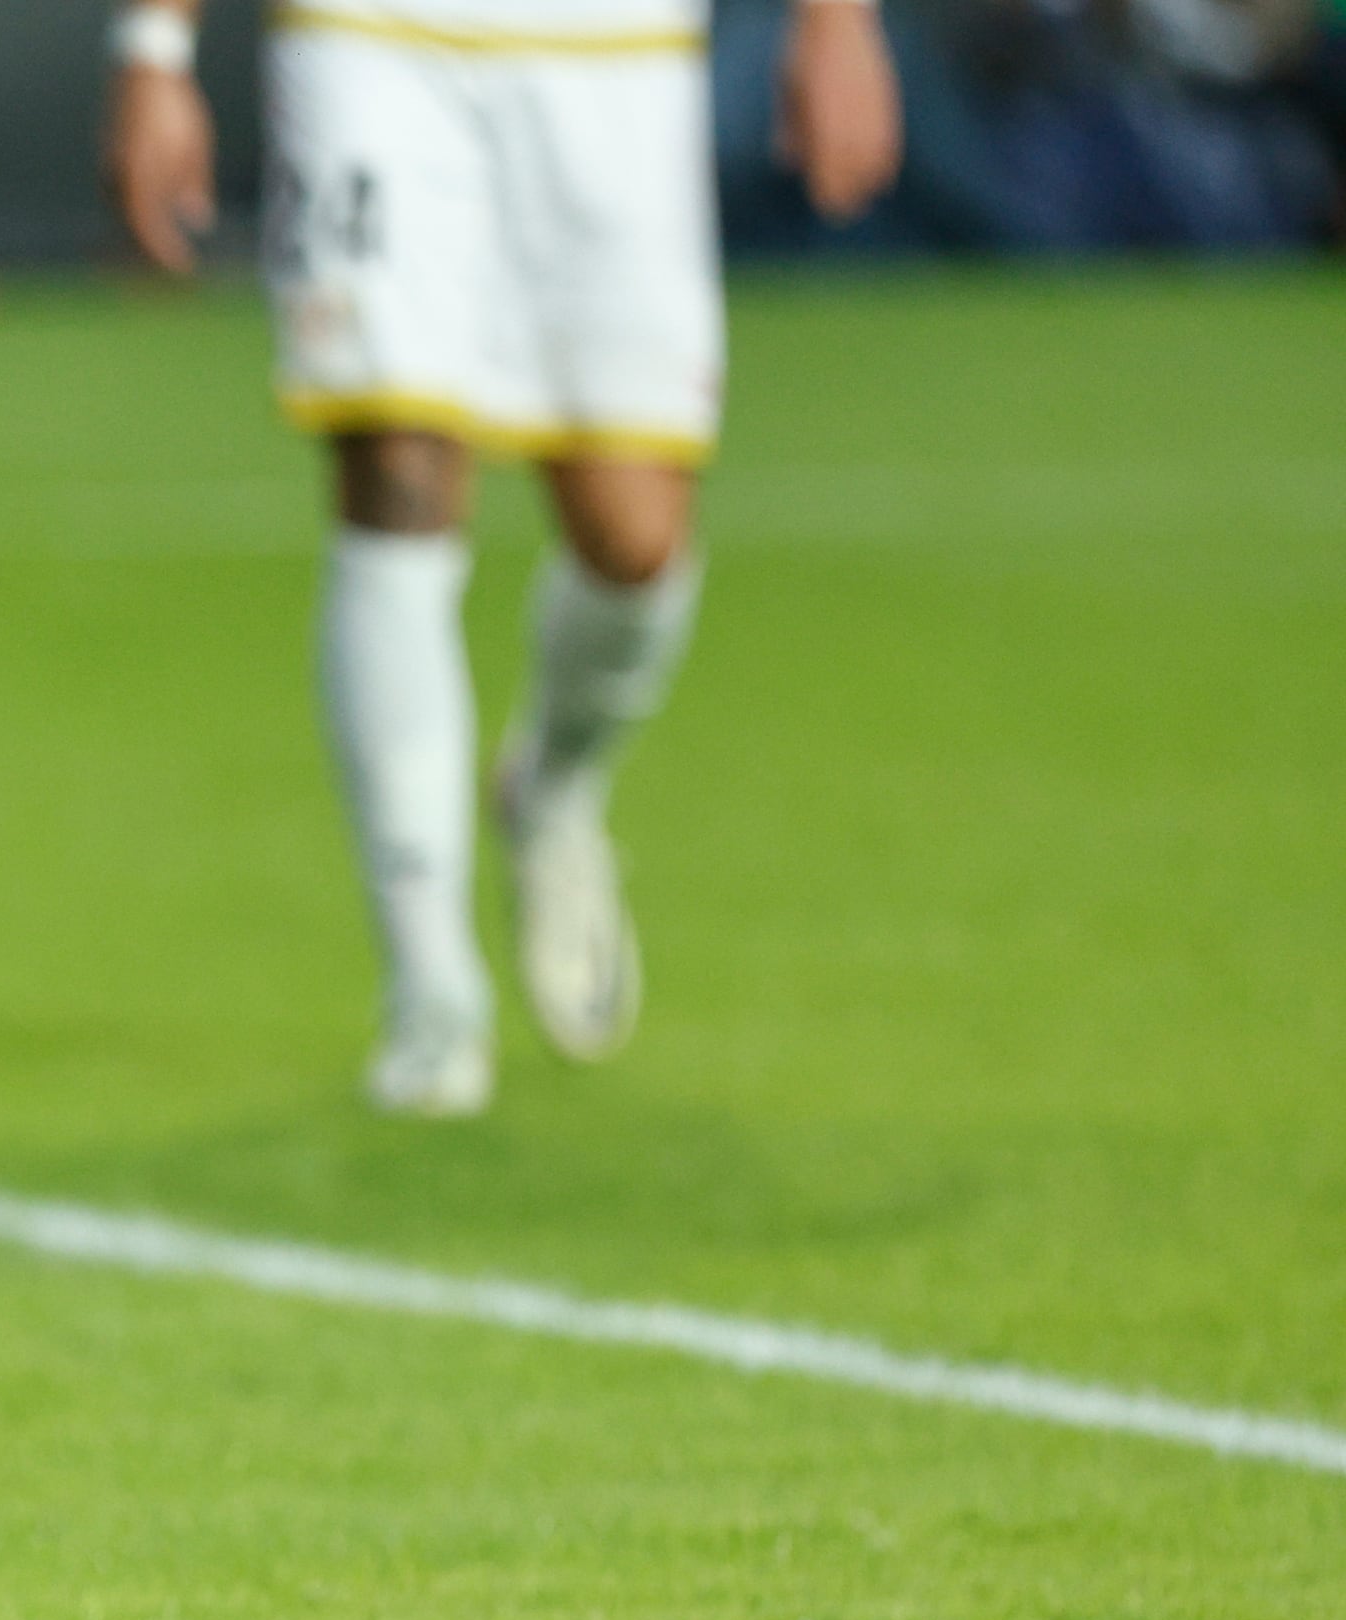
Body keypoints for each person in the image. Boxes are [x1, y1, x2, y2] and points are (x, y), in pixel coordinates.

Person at [107, 0, 904, 1113]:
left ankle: (554, 788)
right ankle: (430, 987)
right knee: (394, 468)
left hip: (610, 51)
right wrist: (152, 49)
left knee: (634, 542)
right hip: (367, 37)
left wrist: (835, 22)